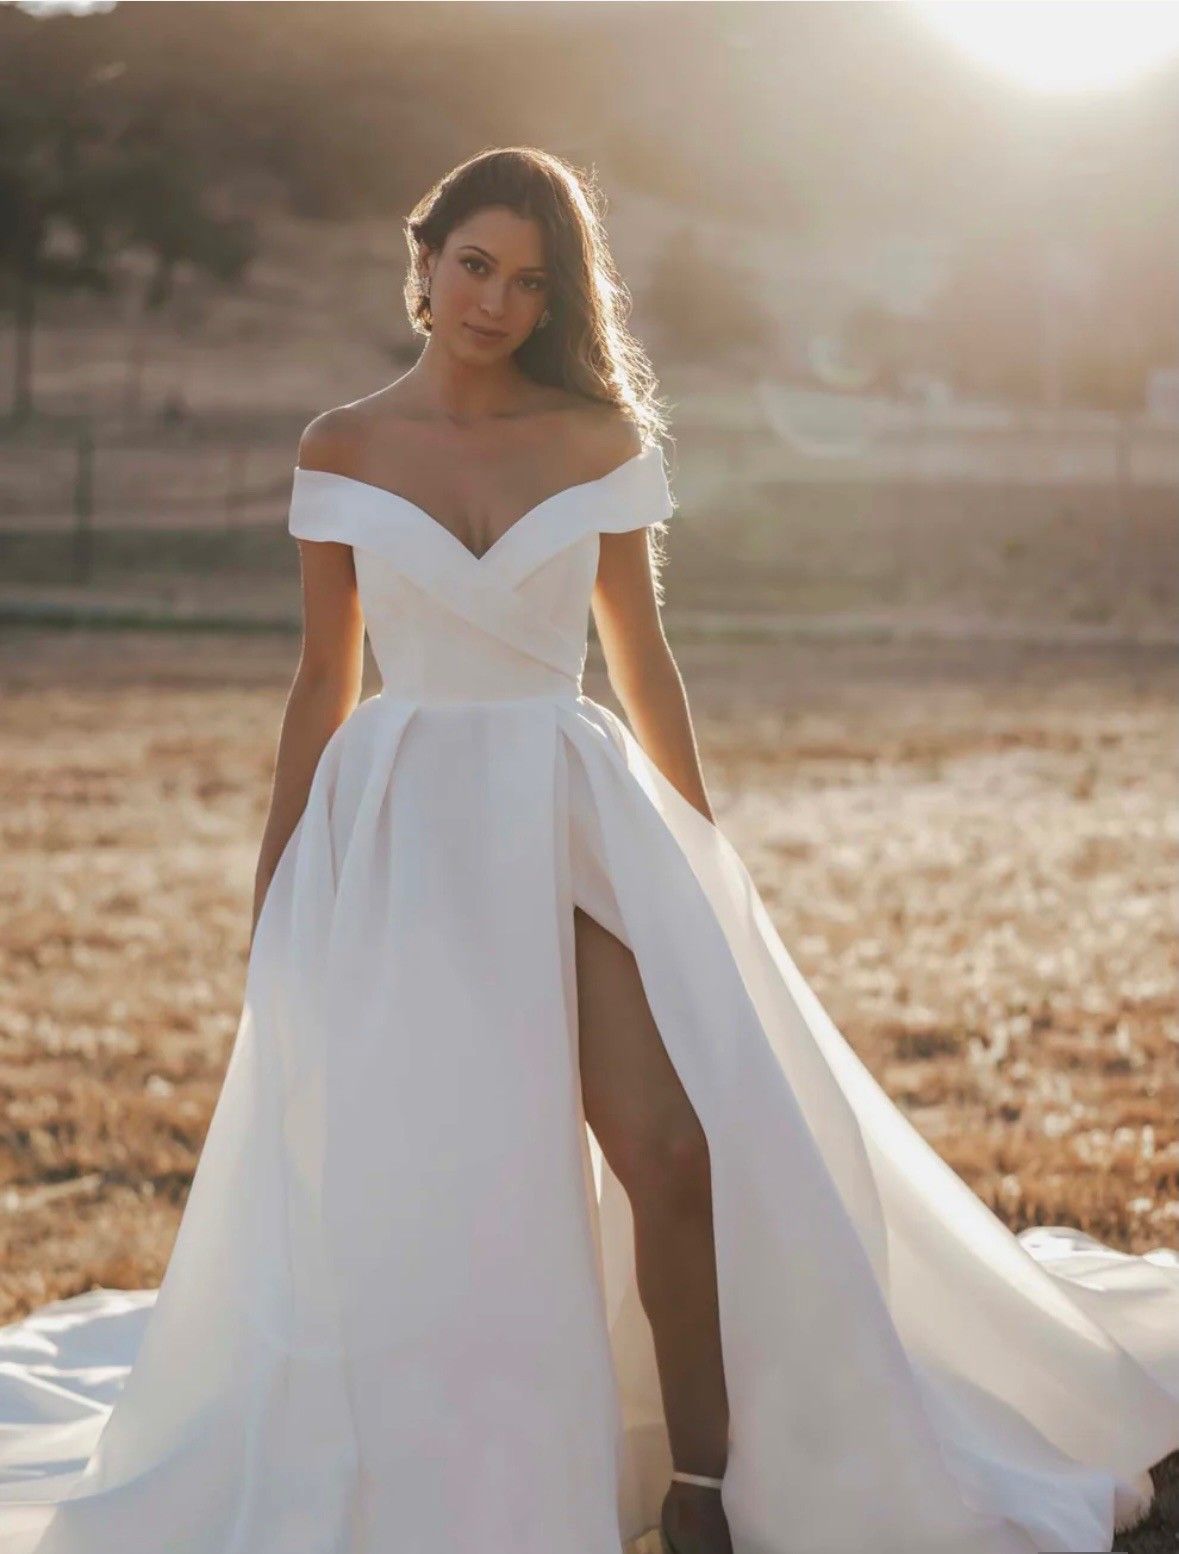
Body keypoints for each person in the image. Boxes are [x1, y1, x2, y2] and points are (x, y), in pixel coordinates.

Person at [0, 145, 1176, 1554]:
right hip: (405, 833)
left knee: (672, 1147)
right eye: (475, 265)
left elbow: (643, 658)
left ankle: (704, 1484)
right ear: (424, 260)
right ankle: (483, 1473)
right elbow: (324, 678)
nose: (495, 301)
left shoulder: (599, 437)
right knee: (451, 1178)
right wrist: (280, 884)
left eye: (530, 280)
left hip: (566, 810)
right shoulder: (340, 446)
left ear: (558, 299)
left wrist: (702, 856)